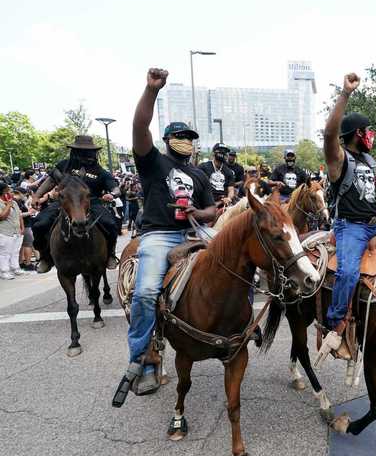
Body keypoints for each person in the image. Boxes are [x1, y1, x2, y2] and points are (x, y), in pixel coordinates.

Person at [113, 68, 216, 402]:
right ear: (169, 140)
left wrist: (197, 214)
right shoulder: (153, 162)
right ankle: (141, 360)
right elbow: (140, 127)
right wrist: (151, 91)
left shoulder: (199, 174)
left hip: (194, 231)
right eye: (180, 135)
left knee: (241, 261)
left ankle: (241, 327)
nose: (186, 140)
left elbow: (212, 211)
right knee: (144, 293)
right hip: (159, 234)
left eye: (190, 136)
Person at [320, 72, 376, 357]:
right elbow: (329, 133)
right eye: (368, 130)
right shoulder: (338, 159)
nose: (371, 134)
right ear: (357, 134)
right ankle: (336, 324)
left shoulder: (372, 161)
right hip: (350, 228)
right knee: (347, 273)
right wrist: (345, 94)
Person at [30, 135, 121, 273]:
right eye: (82, 151)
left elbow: (115, 187)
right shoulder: (64, 165)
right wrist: (37, 195)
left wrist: (112, 194)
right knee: (39, 224)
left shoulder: (99, 171)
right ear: (75, 151)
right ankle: (44, 257)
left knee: (111, 223)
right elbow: (49, 181)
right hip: (65, 202)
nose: (87, 154)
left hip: (91, 202)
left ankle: (110, 255)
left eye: (89, 151)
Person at [0, 182, 27, 280]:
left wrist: (22, 227)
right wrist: (8, 205)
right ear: (3, 192)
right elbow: (2, 217)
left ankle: (15, 268)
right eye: (9, 190)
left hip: (17, 231)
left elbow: (19, 215)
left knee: (15, 251)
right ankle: (4, 271)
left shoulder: (14, 202)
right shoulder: (3, 203)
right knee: (4, 253)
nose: (12, 192)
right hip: (5, 232)